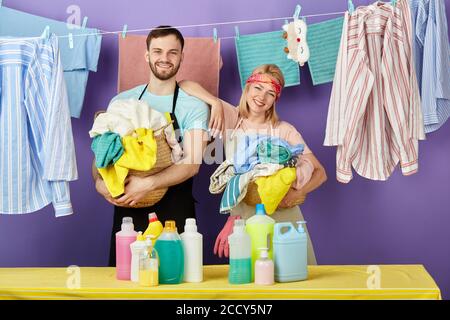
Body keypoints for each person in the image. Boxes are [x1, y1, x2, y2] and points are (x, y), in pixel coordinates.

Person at [92, 26, 223, 266]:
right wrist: (101, 184)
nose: (165, 58)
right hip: (128, 210)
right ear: (147, 55)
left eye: (173, 52)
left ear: (182, 57)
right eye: (158, 51)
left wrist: (147, 184)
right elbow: (101, 157)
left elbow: (192, 163)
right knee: (127, 283)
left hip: (175, 209)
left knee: (175, 285)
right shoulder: (121, 101)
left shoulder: (193, 106)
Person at [180, 64, 327, 264]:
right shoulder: (232, 119)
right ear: (247, 88)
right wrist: (214, 102)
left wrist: (298, 193)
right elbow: (185, 84)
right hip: (245, 221)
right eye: (258, 88)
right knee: (254, 282)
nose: (262, 97)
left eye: (270, 93)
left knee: (295, 282)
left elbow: (320, 172)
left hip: (284, 219)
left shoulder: (283, 130)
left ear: (276, 99)